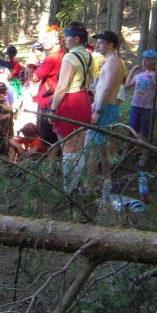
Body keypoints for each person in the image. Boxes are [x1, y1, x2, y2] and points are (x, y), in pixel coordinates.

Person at [48, 20, 93, 193]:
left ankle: (69, 190)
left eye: (67, 37)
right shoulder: (88, 55)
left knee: (68, 147)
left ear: (76, 38)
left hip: (70, 102)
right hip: (83, 99)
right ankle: (77, 186)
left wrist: (53, 109)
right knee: (79, 146)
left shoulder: (70, 57)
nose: (64, 40)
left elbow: (61, 87)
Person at [84, 31, 125, 190]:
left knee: (94, 148)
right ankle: (106, 181)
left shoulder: (113, 62)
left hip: (105, 109)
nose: (97, 45)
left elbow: (107, 88)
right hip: (106, 107)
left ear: (110, 45)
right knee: (103, 148)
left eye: (101, 42)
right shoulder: (111, 62)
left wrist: (98, 111)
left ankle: (90, 184)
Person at [125, 50, 157, 168]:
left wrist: (154, 78)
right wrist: (133, 70)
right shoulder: (139, 75)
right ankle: (128, 152)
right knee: (131, 131)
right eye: (143, 59)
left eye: (147, 60)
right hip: (135, 106)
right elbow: (127, 85)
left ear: (154, 62)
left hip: (149, 109)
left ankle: (143, 156)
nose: (144, 62)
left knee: (146, 134)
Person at [34, 25, 63, 150]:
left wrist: (32, 72)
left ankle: (50, 162)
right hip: (57, 100)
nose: (44, 41)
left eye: (47, 38)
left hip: (47, 103)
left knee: (48, 138)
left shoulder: (51, 57)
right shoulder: (64, 55)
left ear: (56, 40)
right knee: (56, 136)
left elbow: (35, 77)